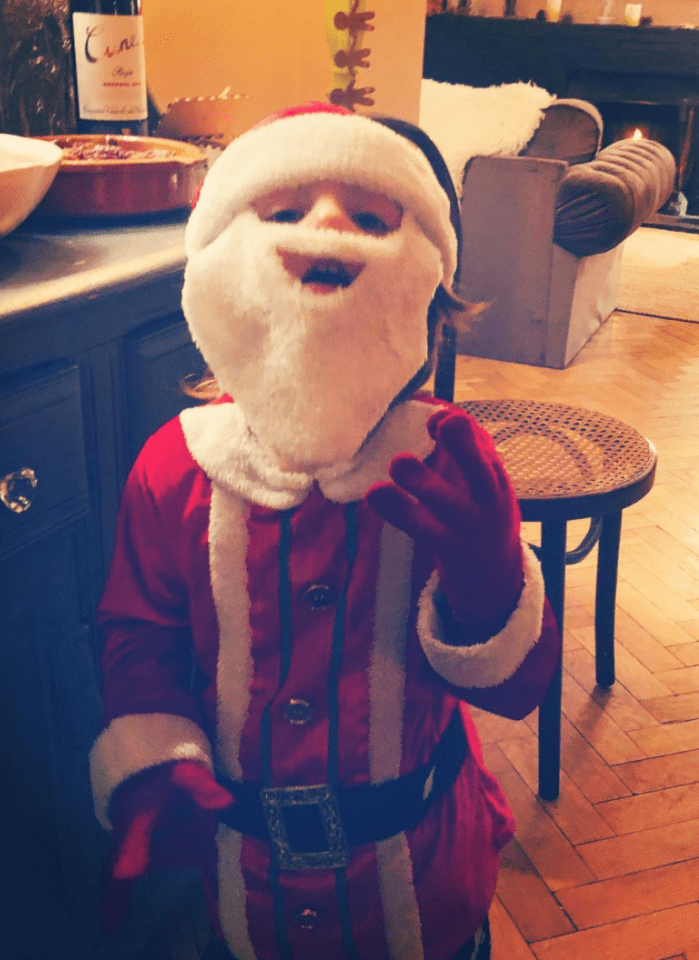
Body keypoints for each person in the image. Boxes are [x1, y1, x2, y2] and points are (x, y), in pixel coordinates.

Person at [90, 101, 561, 960]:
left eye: (373, 220)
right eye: (283, 213)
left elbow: (516, 687)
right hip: (247, 894)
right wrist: (156, 761)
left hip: (424, 888)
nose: (329, 237)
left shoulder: (451, 469)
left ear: (430, 297)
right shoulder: (174, 466)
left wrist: (487, 575)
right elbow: (140, 631)